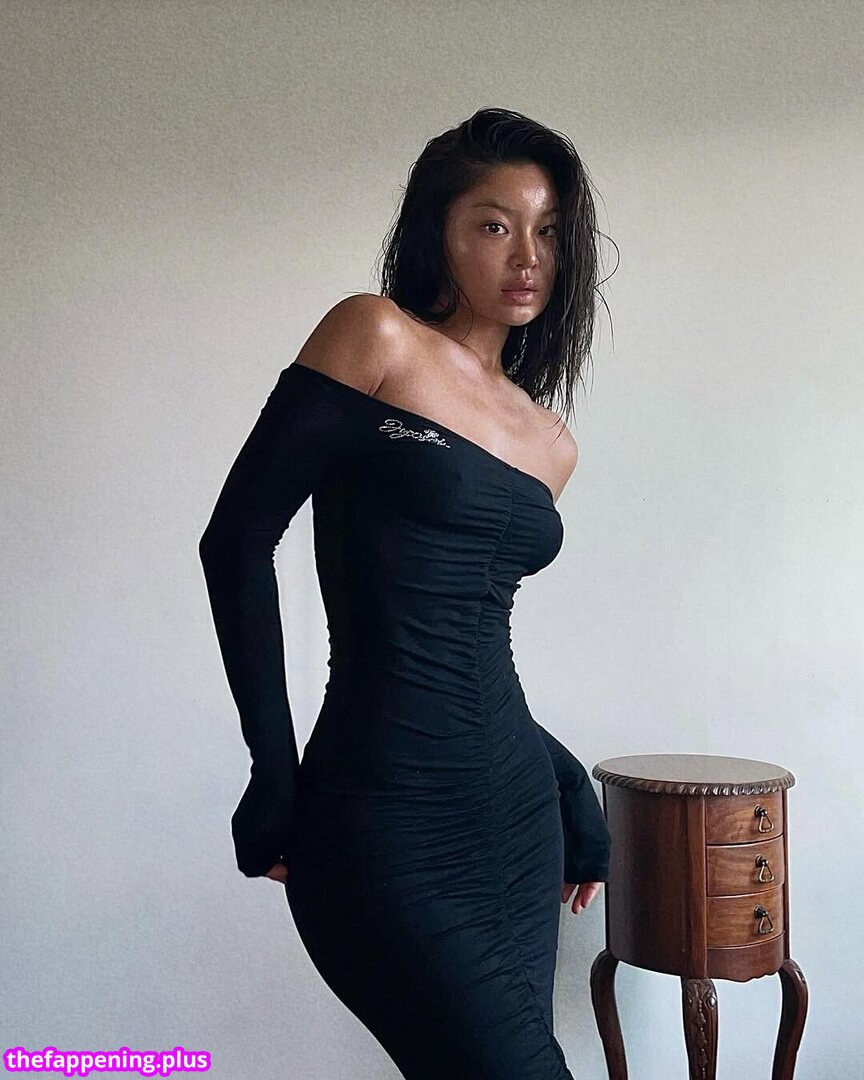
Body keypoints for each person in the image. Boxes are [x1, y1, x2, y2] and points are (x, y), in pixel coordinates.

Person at [199, 107, 612, 1079]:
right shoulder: (374, 336)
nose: (527, 256)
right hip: (383, 813)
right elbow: (236, 544)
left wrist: (565, 778)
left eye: (549, 231)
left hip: (515, 817)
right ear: (439, 231)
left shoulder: (549, 442)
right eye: (494, 223)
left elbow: (461, 642)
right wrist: (272, 769)